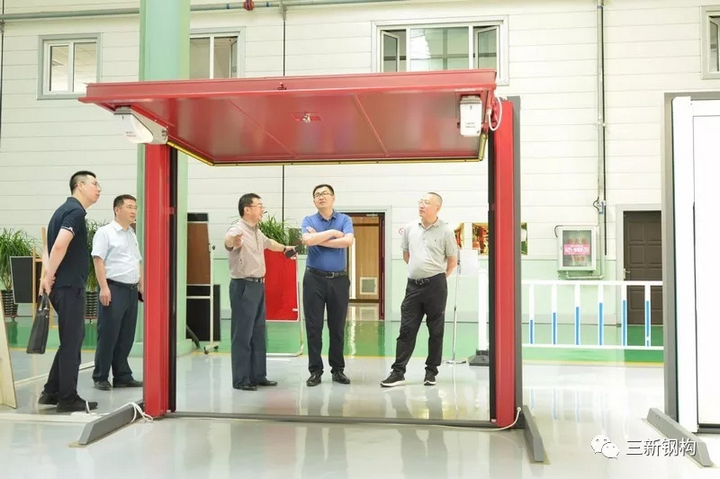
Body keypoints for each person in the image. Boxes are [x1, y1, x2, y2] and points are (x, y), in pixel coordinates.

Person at [38, 170, 102, 412]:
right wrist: (49, 276)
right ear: (79, 186)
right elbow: (59, 245)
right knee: (72, 343)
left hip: (62, 286)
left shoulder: (62, 210)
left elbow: (48, 247)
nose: (98, 188)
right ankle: (67, 398)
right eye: (94, 183)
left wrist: (47, 276)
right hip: (68, 286)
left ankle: (51, 392)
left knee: (69, 340)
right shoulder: (75, 212)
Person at [381, 192, 458, 388]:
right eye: (420, 202)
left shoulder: (446, 231)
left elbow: (452, 260)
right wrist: (419, 272)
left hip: (436, 286)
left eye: (427, 202)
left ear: (437, 207)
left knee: (436, 330)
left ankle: (431, 372)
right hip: (413, 286)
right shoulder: (409, 228)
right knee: (406, 329)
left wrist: (438, 277)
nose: (422, 205)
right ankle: (398, 372)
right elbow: (406, 255)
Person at [224, 193, 295, 391]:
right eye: (259, 205)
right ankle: (241, 379)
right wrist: (233, 240)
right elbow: (228, 241)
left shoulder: (256, 231)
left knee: (258, 332)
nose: (262, 209)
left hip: (258, 286)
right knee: (242, 334)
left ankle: (258, 375)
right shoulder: (238, 229)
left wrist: (285, 248)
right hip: (243, 286)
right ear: (247, 209)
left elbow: (269, 243)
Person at [301, 184, 354, 387]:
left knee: (337, 327)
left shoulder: (345, 219)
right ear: (314, 200)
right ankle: (315, 371)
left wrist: (318, 239)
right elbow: (307, 240)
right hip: (314, 279)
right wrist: (332, 233)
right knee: (313, 326)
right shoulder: (308, 220)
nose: (321, 197)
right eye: (317, 195)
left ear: (333, 197)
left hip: (339, 280)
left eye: (325, 194)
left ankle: (338, 370)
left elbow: (347, 242)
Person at [90, 195, 144, 391]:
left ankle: (122, 376)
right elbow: (98, 260)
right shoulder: (105, 233)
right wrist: (104, 287)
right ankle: (101, 376)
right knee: (108, 334)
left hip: (130, 290)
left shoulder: (131, 233)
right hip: (113, 288)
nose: (134, 211)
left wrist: (142, 285)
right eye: (129, 207)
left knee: (126, 335)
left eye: (135, 207)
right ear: (117, 209)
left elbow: (137, 261)